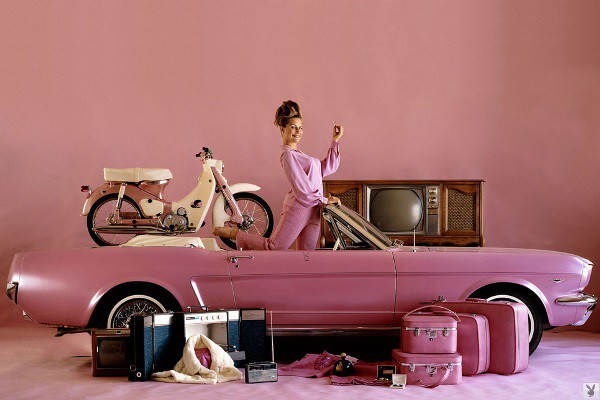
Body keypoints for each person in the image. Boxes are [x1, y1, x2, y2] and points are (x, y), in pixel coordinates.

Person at [213, 100, 343, 250]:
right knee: (275, 247)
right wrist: (325, 200)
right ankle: (237, 235)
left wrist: (335, 141)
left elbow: (326, 169)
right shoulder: (287, 155)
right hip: (300, 208)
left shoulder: (300, 155)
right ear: (282, 129)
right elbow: (303, 190)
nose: (298, 131)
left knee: (306, 256)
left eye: (300, 127)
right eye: (293, 127)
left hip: (315, 208)